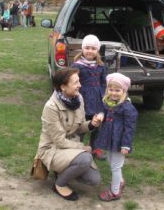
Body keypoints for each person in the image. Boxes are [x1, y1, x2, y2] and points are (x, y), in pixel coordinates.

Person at [36, 68, 102, 201]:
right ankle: (59, 184)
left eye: (79, 81)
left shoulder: (78, 98)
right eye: (76, 82)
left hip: (69, 148)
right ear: (63, 87)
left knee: (94, 179)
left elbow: (80, 126)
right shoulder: (51, 107)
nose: (80, 85)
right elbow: (59, 141)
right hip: (52, 149)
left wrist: (92, 124)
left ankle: (63, 170)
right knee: (85, 158)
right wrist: (82, 148)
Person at [96, 72, 138, 202]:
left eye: (117, 90)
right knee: (110, 161)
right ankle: (120, 181)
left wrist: (126, 145)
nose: (113, 93)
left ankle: (115, 192)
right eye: (111, 89)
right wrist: (101, 115)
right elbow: (103, 109)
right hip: (109, 138)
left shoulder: (127, 108)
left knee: (115, 166)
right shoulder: (108, 102)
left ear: (124, 91)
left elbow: (129, 129)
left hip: (119, 141)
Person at [72, 34, 107, 160]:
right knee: (81, 123)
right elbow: (72, 81)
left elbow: (103, 82)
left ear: (97, 50)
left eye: (93, 48)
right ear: (82, 49)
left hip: (97, 99)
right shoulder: (77, 65)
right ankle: (78, 147)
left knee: (97, 123)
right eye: (87, 48)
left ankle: (95, 147)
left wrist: (104, 95)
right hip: (83, 98)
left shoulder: (101, 66)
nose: (90, 51)